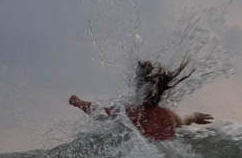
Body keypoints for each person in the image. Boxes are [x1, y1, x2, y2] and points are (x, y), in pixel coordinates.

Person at [70, 59, 212, 142]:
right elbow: (184, 120)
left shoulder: (130, 112)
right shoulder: (169, 116)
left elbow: (98, 111)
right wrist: (195, 117)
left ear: (140, 87)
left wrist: (77, 102)